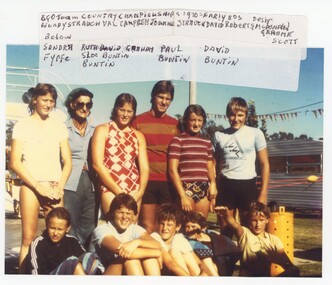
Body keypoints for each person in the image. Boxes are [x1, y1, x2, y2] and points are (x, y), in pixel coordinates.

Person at [10, 83, 72, 272]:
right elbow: (15, 162)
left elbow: (67, 161)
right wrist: (38, 187)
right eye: (44, 99)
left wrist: (60, 185)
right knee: (28, 238)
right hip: (31, 187)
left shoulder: (59, 127)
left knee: (58, 238)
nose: (48, 104)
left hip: (54, 187)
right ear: (34, 99)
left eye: (52, 101)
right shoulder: (22, 125)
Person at [213, 97, 270, 234]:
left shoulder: (256, 133)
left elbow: (265, 164)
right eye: (232, 115)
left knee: (248, 230)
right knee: (226, 229)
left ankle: (248, 256)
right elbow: (214, 164)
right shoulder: (218, 135)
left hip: (248, 186)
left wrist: (263, 192)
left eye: (240, 115)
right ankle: (227, 255)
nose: (236, 119)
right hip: (226, 185)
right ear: (227, 115)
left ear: (246, 115)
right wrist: (213, 186)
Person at [133, 80, 180, 233]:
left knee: (164, 226)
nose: (164, 102)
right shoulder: (137, 121)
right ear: (152, 97)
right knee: (147, 226)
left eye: (168, 99)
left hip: (168, 182)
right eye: (160, 97)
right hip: (146, 181)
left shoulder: (176, 124)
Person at [91, 93, 149, 219]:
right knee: (113, 224)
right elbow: (97, 164)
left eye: (129, 111)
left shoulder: (138, 136)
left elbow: (144, 168)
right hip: (110, 186)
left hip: (133, 187)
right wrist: (119, 192)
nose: (125, 114)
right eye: (122, 110)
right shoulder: (102, 129)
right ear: (116, 109)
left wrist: (140, 192)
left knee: (131, 227)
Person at [214, 202, 300, 277]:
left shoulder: (274, 240)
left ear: (267, 220)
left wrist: (287, 267)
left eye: (261, 220)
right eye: (254, 220)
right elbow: (234, 225)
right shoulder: (245, 234)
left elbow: (287, 264)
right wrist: (226, 215)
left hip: (264, 279)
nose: (257, 224)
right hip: (247, 279)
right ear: (249, 220)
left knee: (295, 270)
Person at [89, 193, 161, 275]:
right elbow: (123, 252)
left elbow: (157, 244)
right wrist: (157, 253)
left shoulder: (134, 228)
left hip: (123, 273)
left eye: (128, 213)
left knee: (150, 259)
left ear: (134, 215)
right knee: (130, 259)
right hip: (102, 276)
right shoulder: (101, 230)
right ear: (113, 213)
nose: (124, 217)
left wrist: (137, 242)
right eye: (120, 212)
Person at [168, 104, 217, 219]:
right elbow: (172, 170)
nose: (196, 124)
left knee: (200, 227)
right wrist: (182, 196)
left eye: (200, 120)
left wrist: (213, 184)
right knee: (186, 226)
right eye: (193, 120)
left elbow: (210, 168)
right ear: (186, 120)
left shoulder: (207, 142)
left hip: (203, 191)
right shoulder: (178, 140)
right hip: (185, 190)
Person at [63, 88, 98, 248]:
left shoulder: (95, 131)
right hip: (71, 182)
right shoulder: (63, 129)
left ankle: (87, 264)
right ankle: (70, 262)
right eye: (80, 104)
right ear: (72, 104)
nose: (85, 108)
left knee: (90, 225)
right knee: (71, 224)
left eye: (88, 104)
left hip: (91, 183)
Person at [24, 207, 101, 275]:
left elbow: (85, 260)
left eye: (60, 229)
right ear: (47, 225)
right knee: (72, 263)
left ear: (67, 228)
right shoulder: (38, 244)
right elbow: (35, 274)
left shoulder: (72, 241)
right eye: (52, 228)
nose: (55, 233)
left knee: (90, 257)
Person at [151, 203, 218, 276]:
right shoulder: (155, 237)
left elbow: (199, 262)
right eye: (162, 224)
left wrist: (204, 272)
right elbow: (171, 265)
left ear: (178, 227)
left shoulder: (179, 238)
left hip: (182, 275)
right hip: (167, 273)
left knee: (188, 256)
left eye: (169, 225)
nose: (164, 228)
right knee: (174, 252)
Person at [182, 211, 241, 276]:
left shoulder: (218, 239)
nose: (190, 229)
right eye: (187, 226)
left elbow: (236, 252)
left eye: (193, 226)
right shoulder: (186, 241)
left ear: (203, 228)